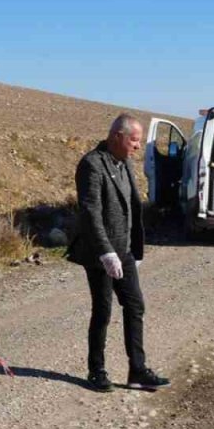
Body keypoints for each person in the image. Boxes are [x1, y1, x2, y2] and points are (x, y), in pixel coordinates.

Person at [66, 114, 170, 393]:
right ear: (117, 137)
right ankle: (96, 370)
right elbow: (91, 213)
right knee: (102, 311)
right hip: (99, 252)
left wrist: (133, 248)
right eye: (134, 140)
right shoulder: (91, 164)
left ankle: (137, 370)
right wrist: (106, 253)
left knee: (135, 306)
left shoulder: (124, 163)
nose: (138, 146)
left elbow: (132, 206)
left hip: (123, 250)